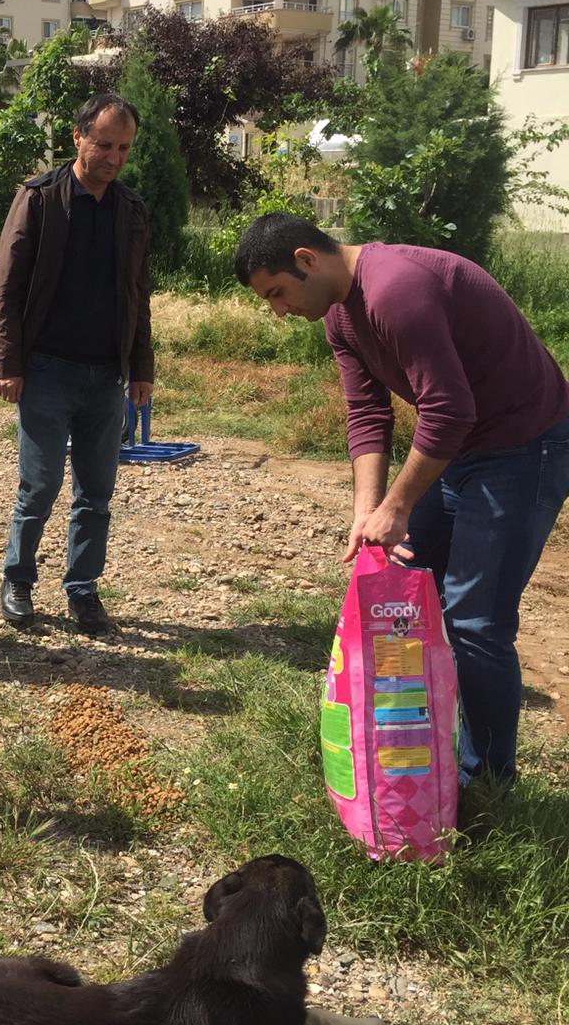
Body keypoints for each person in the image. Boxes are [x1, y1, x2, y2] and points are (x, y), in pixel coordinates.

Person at [234, 211, 569, 787]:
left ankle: (488, 779)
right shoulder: (339, 316)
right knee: (409, 589)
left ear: (306, 260)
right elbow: (367, 415)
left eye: (278, 293)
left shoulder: (396, 289)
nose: (279, 310)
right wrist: (368, 510)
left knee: (475, 621)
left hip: (523, 445)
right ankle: (421, 744)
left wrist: (398, 506)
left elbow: (448, 411)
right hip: (461, 448)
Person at [0, 92, 154, 635]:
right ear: (78, 136)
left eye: (124, 148)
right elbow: (7, 288)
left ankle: (82, 591)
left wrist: (142, 366)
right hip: (47, 371)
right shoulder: (39, 199)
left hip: (106, 376)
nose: (114, 157)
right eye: (104, 144)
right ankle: (18, 580)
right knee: (38, 487)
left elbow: (138, 294)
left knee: (96, 493)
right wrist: (8, 361)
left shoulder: (130, 210)